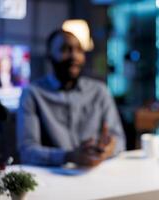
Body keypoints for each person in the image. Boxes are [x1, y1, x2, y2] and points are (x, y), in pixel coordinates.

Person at [16, 29, 126, 167]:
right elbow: (27, 151)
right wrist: (69, 156)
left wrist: (108, 149)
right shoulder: (32, 94)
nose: (74, 55)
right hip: (53, 179)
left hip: (96, 174)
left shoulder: (100, 91)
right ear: (49, 55)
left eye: (79, 50)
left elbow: (119, 139)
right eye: (65, 49)